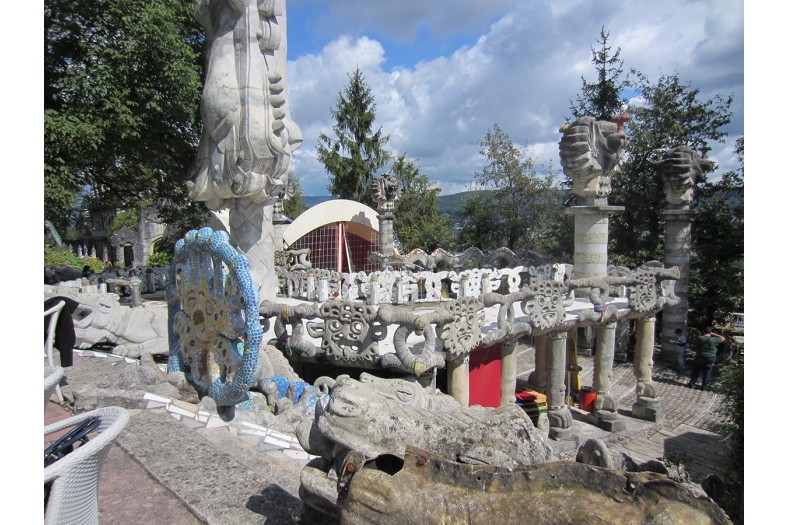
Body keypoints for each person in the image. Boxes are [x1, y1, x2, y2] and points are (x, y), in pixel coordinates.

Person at [687, 326, 726, 391]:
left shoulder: (700, 338)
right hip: (711, 357)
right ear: (710, 332)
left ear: (703, 332)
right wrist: (713, 334)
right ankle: (704, 387)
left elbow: (695, 344)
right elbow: (723, 338)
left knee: (695, 371)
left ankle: (692, 384)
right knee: (707, 372)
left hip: (700, 356)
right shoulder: (714, 339)